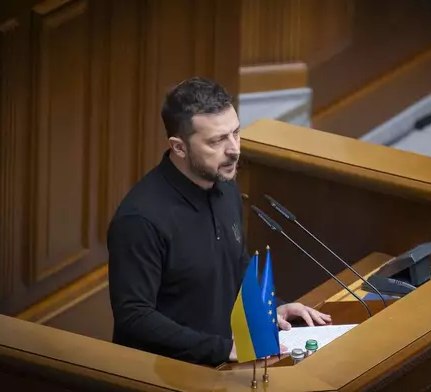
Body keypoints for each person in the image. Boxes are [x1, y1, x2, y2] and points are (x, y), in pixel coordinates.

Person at [107, 76, 331, 367]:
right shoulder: (140, 220)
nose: (234, 149)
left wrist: (271, 310)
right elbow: (134, 317)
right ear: (179, 147)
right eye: (217, 141)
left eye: (235, 133)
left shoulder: (225, 187)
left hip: (224, 364)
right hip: (166, 374)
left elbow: (234, 267)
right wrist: (223, 349)